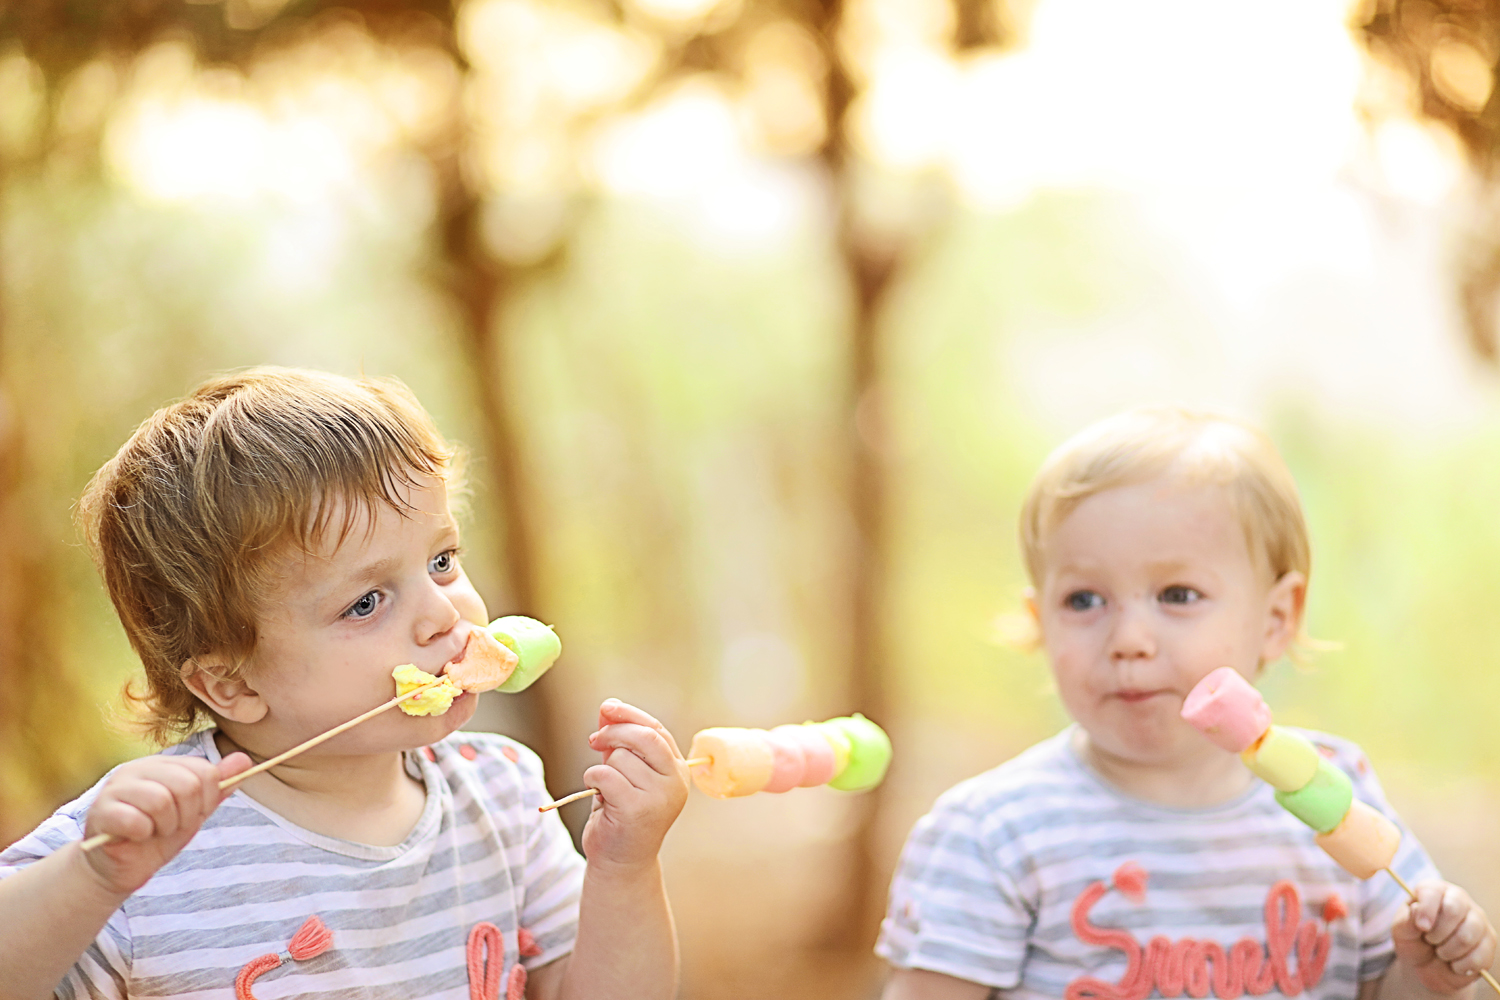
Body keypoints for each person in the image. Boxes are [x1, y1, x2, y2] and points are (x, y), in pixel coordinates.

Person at [0, 368, 689, 1000]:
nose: (443, 613)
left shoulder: (503, 796)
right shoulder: (139, 843)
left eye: (442, 560)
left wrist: (625, 871)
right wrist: (90, 879)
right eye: (366, 602)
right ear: (231, 683)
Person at [877, 407, 1497, 1000]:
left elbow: (1387, 990)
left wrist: (1435, 974)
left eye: (1177, 594)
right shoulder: (993, 834)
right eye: (1084, 600)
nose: (1128, 641)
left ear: (1277, 619)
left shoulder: (1341, 788)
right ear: (1041, 622)